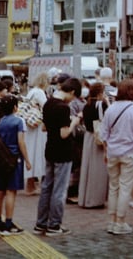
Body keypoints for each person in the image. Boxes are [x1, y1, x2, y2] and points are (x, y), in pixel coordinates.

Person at [35, 77, 83, 236]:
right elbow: (64, 134)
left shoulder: (48, 103)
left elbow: (44, 128)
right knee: (59, 190)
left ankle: (41, 223)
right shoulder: (63, 108)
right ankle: (54, 225)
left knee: (46, 186)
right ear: (73, 92)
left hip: (50, 149)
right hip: (63, 152)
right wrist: (75, 122)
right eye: (74, 97)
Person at [99, 79, 133, 235]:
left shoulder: (110, 109)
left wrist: (106, 152)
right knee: (125, 188)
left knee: (113, 187)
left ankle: (111, 221)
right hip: (130, 153)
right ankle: (121, 222)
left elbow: (104, 134)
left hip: (112, 152)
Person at [0, 95, 30, 236]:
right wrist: (27, 160)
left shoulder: (0, 121)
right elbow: (21, 142)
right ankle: (8, 223)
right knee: (11, 192)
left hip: (1, 159)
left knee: (0, 191)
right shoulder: (19, 121)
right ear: (15, 107)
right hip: (14, 159)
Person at [77, 83, 108, 209]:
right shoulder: (102, 104)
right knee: (98, 169)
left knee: (87, 168)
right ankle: (95, 199)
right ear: (100, 93)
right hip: (98, 138)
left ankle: (84, 198)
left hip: (88, 137)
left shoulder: (87, 105)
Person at [23, 73, 49, 196]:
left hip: (30, 125)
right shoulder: (39, 92)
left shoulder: (32, 91)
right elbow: (47, 107)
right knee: (36, 153)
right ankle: (30, 185)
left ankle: (30, 184)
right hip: (36, 126)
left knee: (31, 152)